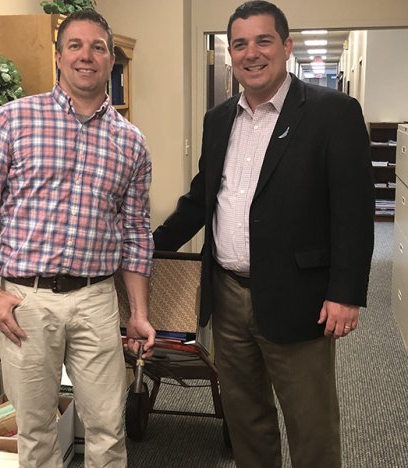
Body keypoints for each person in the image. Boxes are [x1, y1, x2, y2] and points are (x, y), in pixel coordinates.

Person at [153, 2, 374, 467]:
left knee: (310, 427)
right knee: (246, 421)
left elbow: (354, 211)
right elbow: (201, 199)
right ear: (231, 54)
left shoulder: (332, 113)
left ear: (286, 46)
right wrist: (150, 248)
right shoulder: (218, 119)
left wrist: (346, 293)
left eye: (263, 41)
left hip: (302, 298)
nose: (251, 53)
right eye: (240, 44)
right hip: (228, 294)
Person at [0, 10, 155, 468]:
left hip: (96, 300)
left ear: (113, 61)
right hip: (27, 300)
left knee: (108, 426)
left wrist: (140, 315)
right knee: (35, 430)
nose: (86, 56)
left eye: (98, 47)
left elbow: (136, 232)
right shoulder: (11, 120)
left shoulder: (131, 142)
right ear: (58, 56)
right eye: (75, 45)